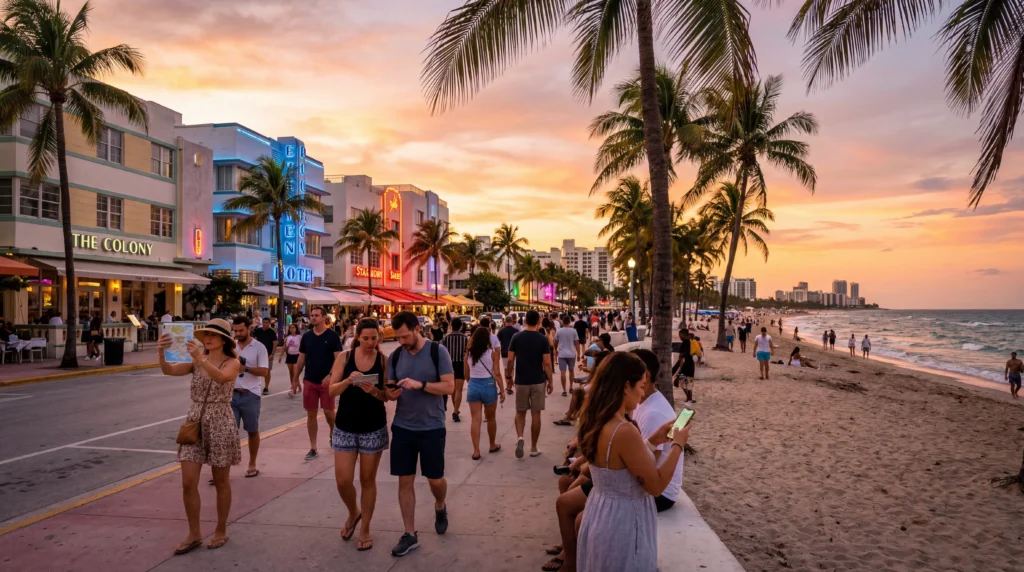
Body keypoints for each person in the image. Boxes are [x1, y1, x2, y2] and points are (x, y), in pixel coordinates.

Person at [575, 352, 689, 572]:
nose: (642, 393)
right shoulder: (624, 430)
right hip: (623, 522)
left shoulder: (595, 419)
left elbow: (617, 464)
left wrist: (653, 441)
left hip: (599, 512)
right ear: (626, 386)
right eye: (641, 386)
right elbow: (655, 486)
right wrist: (678, 444)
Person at [157, 318, 241, 555]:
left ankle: (221, 529)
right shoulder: (196, 360)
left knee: (221, 480)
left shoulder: (232, 362)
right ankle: (194, 533)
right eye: (205, 335)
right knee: (188, 481)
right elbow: (170, 370)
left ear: (224, 340)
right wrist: (161, 353)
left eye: (213, 335)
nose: (207, 338)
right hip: (194, 420)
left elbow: (221, 378)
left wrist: (200, 359)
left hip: (220, 420)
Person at [385, 311, 455, 557]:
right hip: (403, 426)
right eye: (398, 337)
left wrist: (421, 385)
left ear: (417, 328)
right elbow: (389, 389)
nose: (401, 341)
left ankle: (440, 504)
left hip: (432, 426)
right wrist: (389, 393)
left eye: (405, 336)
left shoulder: (438, 351)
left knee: (435, 480)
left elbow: (449, 386)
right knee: (405, 480)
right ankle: (409, 533)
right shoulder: (395, 356)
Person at [327, 318, 390, 551]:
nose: (370, 342)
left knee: (367, 479)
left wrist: (374, 391)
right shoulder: (345, 358)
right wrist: (348, 381)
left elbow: (387, 396)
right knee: (343, 480)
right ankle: (354, 511)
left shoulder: (383, 361)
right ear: (357, 337)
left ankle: (365, 528)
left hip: (373, 426)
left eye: (374, 338)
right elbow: (332, 390)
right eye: (365, 338)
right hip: (345, 425)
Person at [631, 348, 683, 513]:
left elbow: (648, 465)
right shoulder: (641, 401)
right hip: (651, 482)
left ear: (645, 376)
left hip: (660, 493)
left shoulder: (653, 413)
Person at [292, 306, 343, 461]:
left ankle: (333, 432)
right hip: (310, 380)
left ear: (324, 317)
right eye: (312, 315)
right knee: (311, 414)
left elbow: (338, 359)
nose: (313, 318)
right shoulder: (307, 337)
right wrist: (295, 379)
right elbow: (301, 358)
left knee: (329, 412)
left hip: (327, 382)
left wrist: (330, 375)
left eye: (316, 315)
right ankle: (313, 447)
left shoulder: (332, 336)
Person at [506, 310, 553, 459]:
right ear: (538, 321)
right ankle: (533, 447)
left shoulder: (516, 337)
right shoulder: (542, 339)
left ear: (525, 321)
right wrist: (550, 380)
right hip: (538, 380)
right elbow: (547, 362)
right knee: (536, 413)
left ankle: (520, 437)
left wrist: (508, 376)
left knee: (520, 412)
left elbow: (510, 360)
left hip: (521, 380)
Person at [231, 316, 268, 478]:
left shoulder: (259, 347)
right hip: (231, 394)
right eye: (235, 331)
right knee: (228, 432)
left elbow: (264, 371)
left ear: (249, 328)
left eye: (241, 330)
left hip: (251, 394)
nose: (238, 333)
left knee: (252, 430)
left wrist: (245, 368)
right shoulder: (230, 346)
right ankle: (222, 468)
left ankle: (252, 463)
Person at [465, 326, 505, 459]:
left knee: (475, 419)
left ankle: (476, 451)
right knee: (491, 418)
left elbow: (466, 373)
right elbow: (497, 373)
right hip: (488, 385)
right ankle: (492, 445)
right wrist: (502, 389)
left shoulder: (469, 353)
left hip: (473, 386)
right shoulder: (492, 353)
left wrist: (471, 382)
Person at [442, 318, 469, 423]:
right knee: (459, 389)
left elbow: (442, 352)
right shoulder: (465, 338)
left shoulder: (446, 338)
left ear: (451, 326)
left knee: (453, 390)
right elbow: (468, 353)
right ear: (460, 327)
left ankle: (456, 410)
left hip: (449, 364)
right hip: (461, 364)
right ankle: (456, 410)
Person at [554, 315, 580, 397]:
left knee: (563, 372)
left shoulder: (559, 331)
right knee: (571, 371)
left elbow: (555, 342)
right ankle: (571, 387)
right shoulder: (573, 331)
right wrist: (579, 354)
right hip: (571, 354)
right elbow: (577, 343)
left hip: (561, 354)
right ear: (569, 321)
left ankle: (564, 390)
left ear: (563, 322)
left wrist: (556, 350)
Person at [252, 318, 279, 396]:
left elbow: (275, 343)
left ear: (269, 323)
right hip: (258, 354)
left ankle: (266, 387)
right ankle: (256, 385)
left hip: (268, 354)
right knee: (256, 370)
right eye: (264, 322)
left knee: (267, 371)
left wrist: (272, 354)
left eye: (267, 322)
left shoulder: (271, 332)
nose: (265, 324)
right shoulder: (258, 331)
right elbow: (254, 340)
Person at [672, 329, 696, 405]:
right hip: (691, 364)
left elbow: (681, 356)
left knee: (682, 381)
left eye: (680, 336)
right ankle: (690, 398)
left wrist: (678, 368)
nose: (680, 337)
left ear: (682, 334)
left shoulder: (684, 343)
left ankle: (688, 398)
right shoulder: (692, 341)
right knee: (689, 382)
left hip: (685, 364)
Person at [497, 314, 518, 394]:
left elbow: (497, 342)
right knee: (512, 368)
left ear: (505, 322)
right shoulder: (516, 331)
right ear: (512, 321)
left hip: (504, 352)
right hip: (514, 353)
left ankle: (508, 385)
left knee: (506, 369)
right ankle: (510, 384)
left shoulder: (501, 331)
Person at [281, 323, 302, 398]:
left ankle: (293, 389)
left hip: (297, 356)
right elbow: (284, 347)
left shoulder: (299, 337)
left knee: (295, 372)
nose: (292, 329)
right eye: (291, 328)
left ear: (296, 329)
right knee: (291, 373)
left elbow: (303, 347)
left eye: (293, 328)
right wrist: (280, 356)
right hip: (289, 356)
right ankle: (297, 384)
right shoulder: (287, 338)